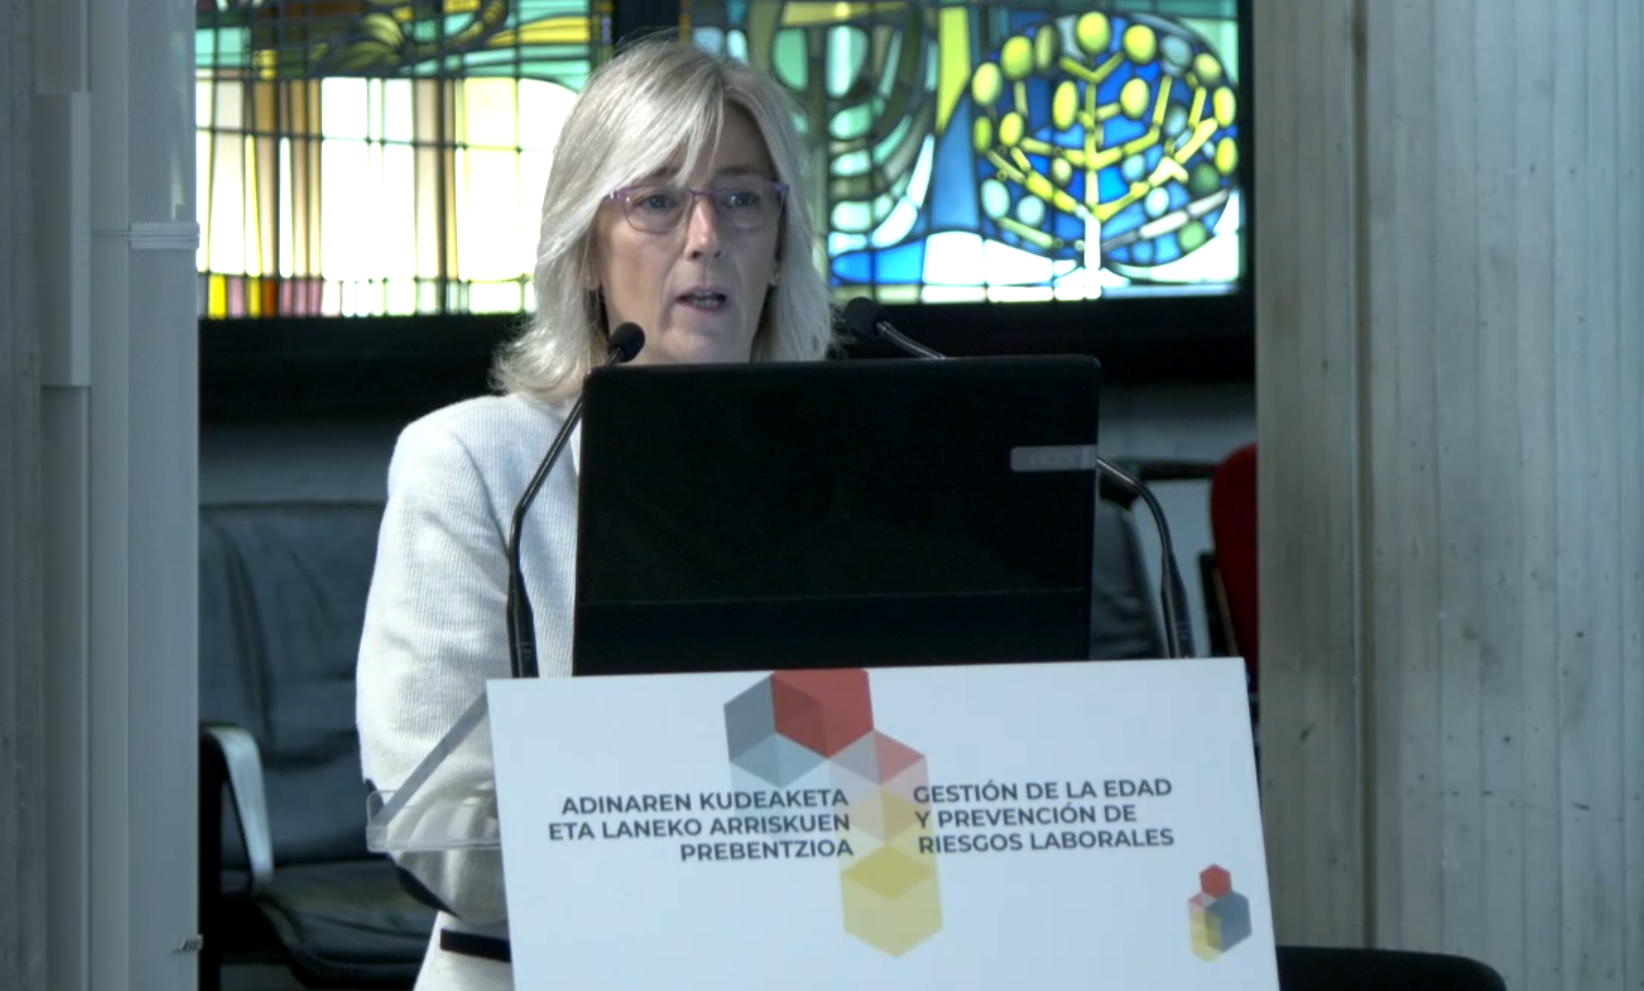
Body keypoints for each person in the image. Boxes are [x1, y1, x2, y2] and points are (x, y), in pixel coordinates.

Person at [355, 36, 834, 991]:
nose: (706, 236)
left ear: (781, 247)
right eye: (657, 201)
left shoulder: (845, 476)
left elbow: (902, 777)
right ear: (585, 251)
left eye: (742, 198)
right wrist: (715, 822)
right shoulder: (475, 465)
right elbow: (443, 834)